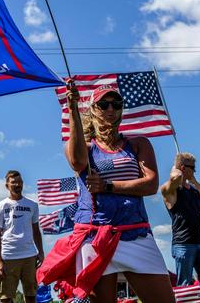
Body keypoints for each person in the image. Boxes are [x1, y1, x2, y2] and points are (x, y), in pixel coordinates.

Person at [38, 82, 175, 303]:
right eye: (103, 104)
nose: (110, 109)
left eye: (116, 104)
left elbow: (150, 185)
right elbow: (76, 162)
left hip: (135, 233)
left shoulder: (139, 144)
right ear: (93, 109)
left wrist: (108, 186)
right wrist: (73, 109)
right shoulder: (86, 148)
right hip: (95, 238)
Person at [160, 153, 200, 286]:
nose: (195, 171)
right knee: (184, 284)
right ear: (183, 168)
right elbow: (177, 177)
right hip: (183, 244)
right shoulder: (169, 190)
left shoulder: (194, 191)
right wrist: (176, 170)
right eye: (192, 167)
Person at [0, 170, 44, 303]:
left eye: (20, 182)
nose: (17, 185)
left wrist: (41, 253)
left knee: (31, 294)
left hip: (29, 256)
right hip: (9, 256)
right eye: (14, 182)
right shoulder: (1, 206)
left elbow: (36, 232)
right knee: (5, 297)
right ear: (7, 186)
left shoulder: (32, 205)